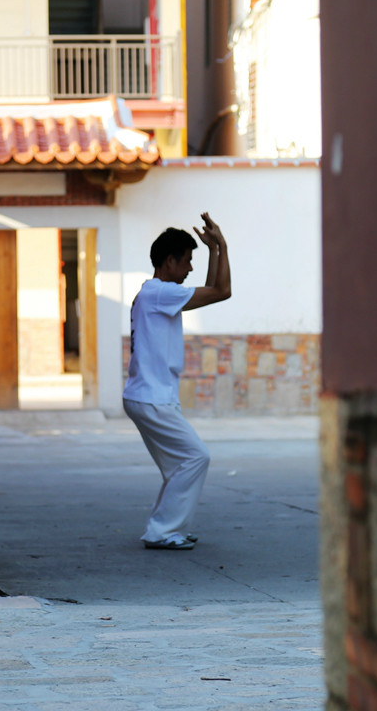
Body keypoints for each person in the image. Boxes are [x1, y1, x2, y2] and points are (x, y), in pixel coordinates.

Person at [124, 213, 232, 550]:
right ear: (169, 261)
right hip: (151, 398)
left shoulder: (155, 294)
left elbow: (214, 289)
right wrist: (221, 247)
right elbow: (221, 291)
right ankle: (161, 531)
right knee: (196, 457)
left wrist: (214, 251)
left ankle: (169, 528)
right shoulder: (160, 293)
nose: (188, 269)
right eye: (186, 261)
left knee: (179, 465)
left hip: (149, 396)